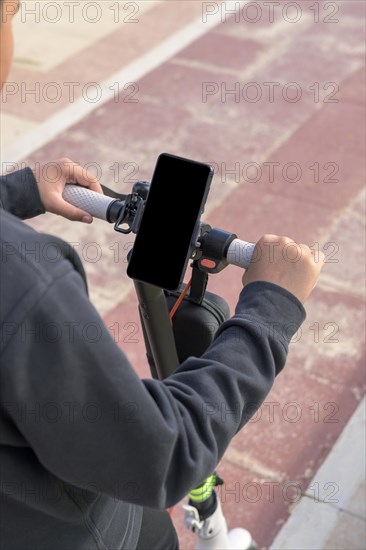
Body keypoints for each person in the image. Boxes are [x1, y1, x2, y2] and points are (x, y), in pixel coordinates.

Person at [0, 1, 325, 549]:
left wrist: (18, 192)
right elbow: (160, 455)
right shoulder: (25, 282)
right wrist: (272, 307)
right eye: (10, 12)